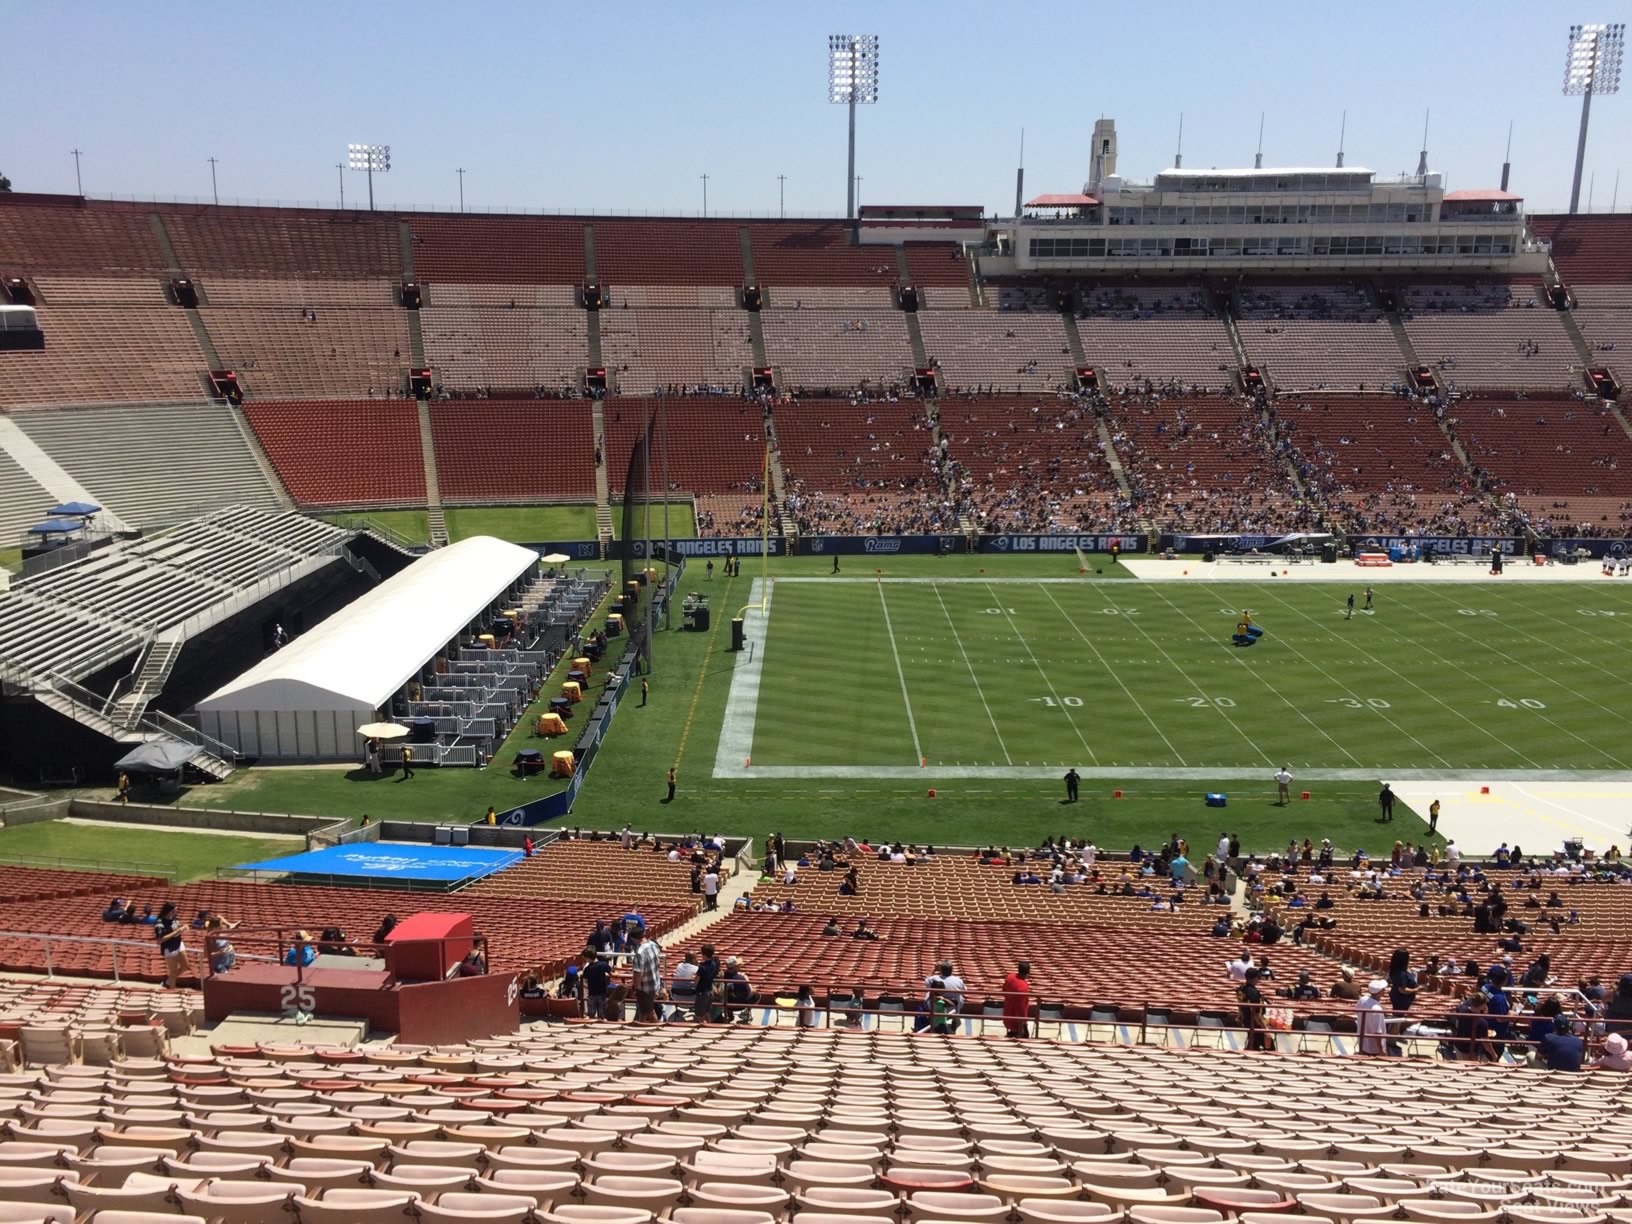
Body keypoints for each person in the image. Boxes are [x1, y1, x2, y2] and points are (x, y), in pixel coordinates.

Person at [629, 928, 663, 1022]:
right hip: (655, 983)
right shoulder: (654, 945)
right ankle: (640, 1025)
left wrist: (636, 988)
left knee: (650, 1012)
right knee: (643, 1011)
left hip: (645, 988)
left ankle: (656, 1029)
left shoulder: (639, 953)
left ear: (633, 938)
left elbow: (638, 972)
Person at [153, 902, 189, 988]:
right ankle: (172, 989)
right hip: (169, 947)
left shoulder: (174, 918)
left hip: (179, 943)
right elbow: (159, 940)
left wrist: (183, 927)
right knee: (173, 972)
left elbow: (177, 926)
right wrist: (176, 932)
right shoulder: (160, 923)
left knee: (186, 966)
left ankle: (168, 981)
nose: (176, 912)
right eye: (174, 910)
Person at [1238, 967, 1269, 1051]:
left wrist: (1240, 1014)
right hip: (1255, 1023)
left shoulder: (1241, 989)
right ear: (1255, 978)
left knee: (1253, 1044)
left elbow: (1240, 1004)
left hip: (1247, 1020)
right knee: (1269, 1046)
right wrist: (1265, 1029)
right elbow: (1256, 1014)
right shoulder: (1253, 993)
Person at [1357, 978, 1389, 1055]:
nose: (1385, 990)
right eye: (1383, 989)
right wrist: (1381, 1050)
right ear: (1379, 992)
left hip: (1362, 1042)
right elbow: (1377, 1032)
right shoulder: (1376, 1009)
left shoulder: (1363, 1000)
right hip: (1374, 1048)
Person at [1002, 961, 1032, 1038]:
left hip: (1008, 1011)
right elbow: (1021, 1007)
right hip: (1017, 1019)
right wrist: (1023, 1023)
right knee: (1024, 1037)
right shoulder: (1023, 987)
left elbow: (1004, 990)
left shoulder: (1009, 977)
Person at [723, 956, 757, 1023]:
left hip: (725, 1004)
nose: (740, 966)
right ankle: (745, 1014)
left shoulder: (723, 975)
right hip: (739, 1005)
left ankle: (730, 1014)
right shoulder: (741, 978)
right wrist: (747, 981)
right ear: (735, 967)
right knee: (756, 995)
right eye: (738, 965)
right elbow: (749, 993)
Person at [693, 944, 721, 1023]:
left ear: (704, 955)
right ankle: (710, 1027)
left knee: (699, 1015)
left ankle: (703, 1029)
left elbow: (696, 981)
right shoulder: (714, 964)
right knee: (706, 1013)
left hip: (702, 993)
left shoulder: (702, 967)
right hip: (710, 991)